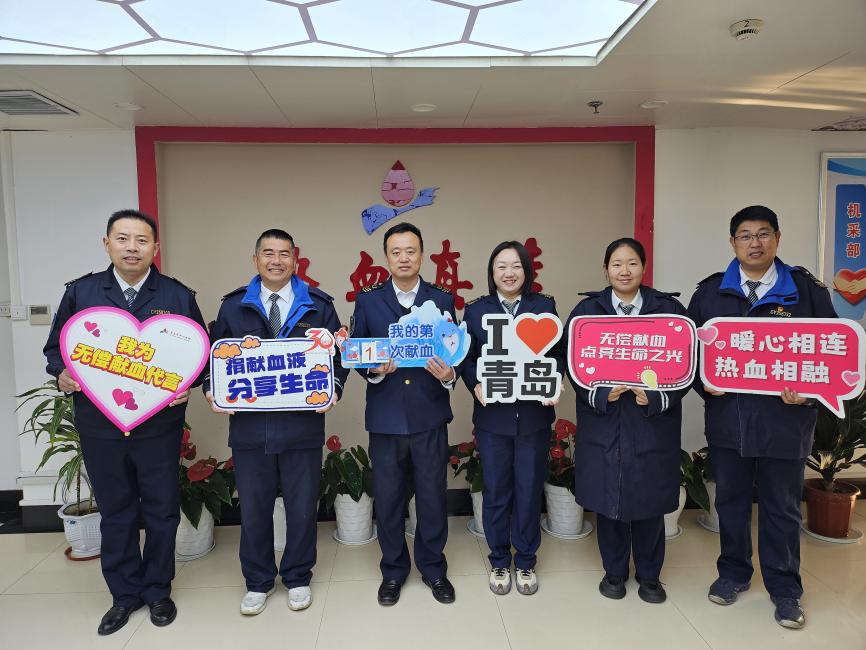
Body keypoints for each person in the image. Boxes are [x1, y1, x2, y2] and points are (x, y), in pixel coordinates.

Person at [43, 209, 206, 635]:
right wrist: (61, 374)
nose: (132, 248)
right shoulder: (81, 293)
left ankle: (158, 591)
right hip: (100, 425)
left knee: (162, 510)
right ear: (107, 243)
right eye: (123, 239)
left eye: (141, 240)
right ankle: (123, 595)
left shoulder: (177, 296)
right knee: (116, 512)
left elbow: (200, 354)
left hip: (159, 426)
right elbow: (55, 349)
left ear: (155, 248)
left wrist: (189, 384)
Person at [687, 205, 836, 629]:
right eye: (746, 235)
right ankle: (733, 574)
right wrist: (704, 383)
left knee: (782, 508)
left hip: (785, 422)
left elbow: (830, 350)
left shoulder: (806, 292)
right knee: (731, 503)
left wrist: (808, 393)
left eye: (764, 234)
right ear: (732, 242)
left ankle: (785, 589)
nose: (755, 243)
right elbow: (689, 354)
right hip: (729, 420)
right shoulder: (711, 294)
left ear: (777, 238)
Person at [205, 229, 348, 616]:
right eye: (268, 253)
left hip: (302, 427)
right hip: (250, 429)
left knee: (302, 508)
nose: (276, 260)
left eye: (284, 254)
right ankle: (257, 581)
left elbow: (339, 356)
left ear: (295, 260)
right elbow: (214, 358)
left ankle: (298, 576)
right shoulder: (233, 307)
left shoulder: (319, 305)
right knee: (254, 510)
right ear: (255, 260)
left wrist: (333, 388)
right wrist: (213, 390)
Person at [566, 237, 688, 605]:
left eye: (632, 263)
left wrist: (658, 397)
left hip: (651, 422)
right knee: (609, 499)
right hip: (605, 420)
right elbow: (573, 365)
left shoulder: (669, 311)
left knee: (649, 500)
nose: (624, 270)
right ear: (605, 270)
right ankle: (614, 572)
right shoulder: (587, 312)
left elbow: (686, 366)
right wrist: (602, 394)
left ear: (643, 268)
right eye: (616, 264)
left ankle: (650, 577)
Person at [350, 222, 458, 606]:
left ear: (422, 255)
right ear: (386, 257)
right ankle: (393, 572)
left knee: (432, 498)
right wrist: (374, 369)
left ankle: (433, 569)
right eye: (396, 252)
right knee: (390, 500)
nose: (404, 258)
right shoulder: (368, 301)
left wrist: (450, 375)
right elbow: (358, 353)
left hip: (430, 416)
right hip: (386, 419)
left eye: (411, 251)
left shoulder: (441, 299)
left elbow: (454, 350)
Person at [461, 241, 564, 596]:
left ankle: (526, 561)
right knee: (496, 490)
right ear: (492, 273)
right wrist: (475, 383)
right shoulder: (476, 310)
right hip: (493, 418)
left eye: (516, 266)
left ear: (527, 271)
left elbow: (558, 354)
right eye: (501, 266)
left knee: (529, 490)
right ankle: (499, 560)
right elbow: (466, 358)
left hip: (534, 417)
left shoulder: (544, 307)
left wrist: (555, 381)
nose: (509, 273)